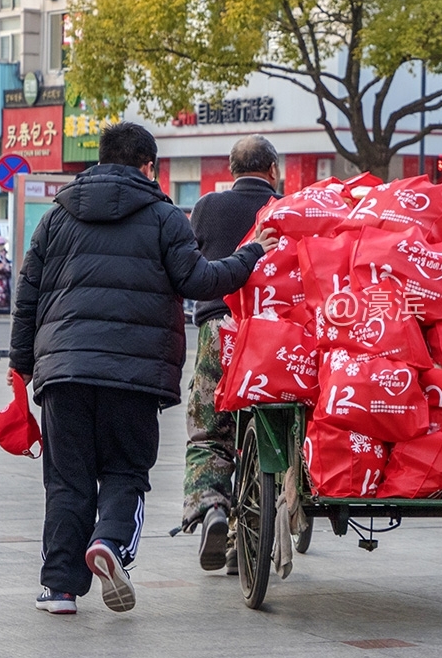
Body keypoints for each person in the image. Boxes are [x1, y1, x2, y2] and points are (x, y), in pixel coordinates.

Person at [7, 121, 278, 616]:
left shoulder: (57, 215)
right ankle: (110, 544)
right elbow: (199, 279)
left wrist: (21, 367)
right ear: (148, 165)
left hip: (63, 372)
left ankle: (59, 589)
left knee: (67, 480)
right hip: (134, 376)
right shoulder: (163, 216)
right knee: (125, 471)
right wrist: (251, 253)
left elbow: (28, 297)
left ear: (101, 159)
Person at [180, 134, 282, 574]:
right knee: (272, 430)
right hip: (275, 337)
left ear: (231, 170)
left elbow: (195, 258)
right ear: (273, 171)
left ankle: (213, 509)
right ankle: (252, 543)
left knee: (209, 428)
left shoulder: (206, 207)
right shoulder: (285, 209)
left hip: (219, 329)